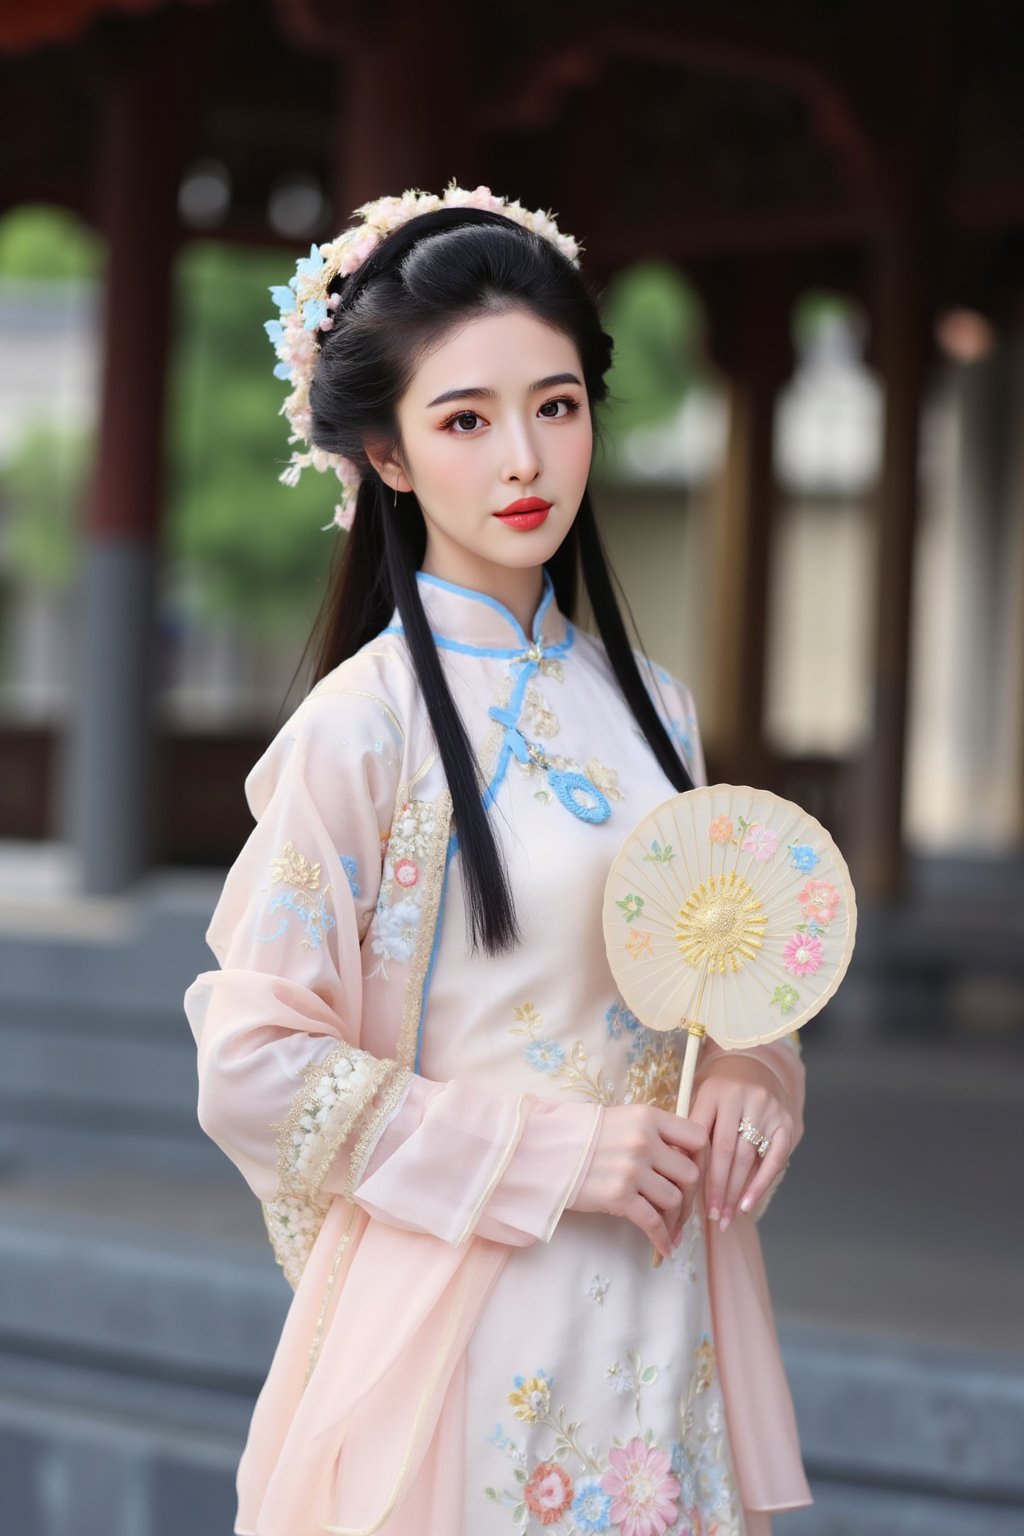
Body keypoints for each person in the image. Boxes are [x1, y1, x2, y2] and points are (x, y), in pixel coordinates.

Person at [183, 182, 812, 1536]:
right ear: (390, 455)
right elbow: (251, 1066)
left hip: (662, 1311)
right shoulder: (364, 728)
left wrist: (757, 1076)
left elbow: (709, 981)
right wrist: (549, 1155)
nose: (524, 459)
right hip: (468, 1320)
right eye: (466, 420)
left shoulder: (654, 706)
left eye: (557, 403)